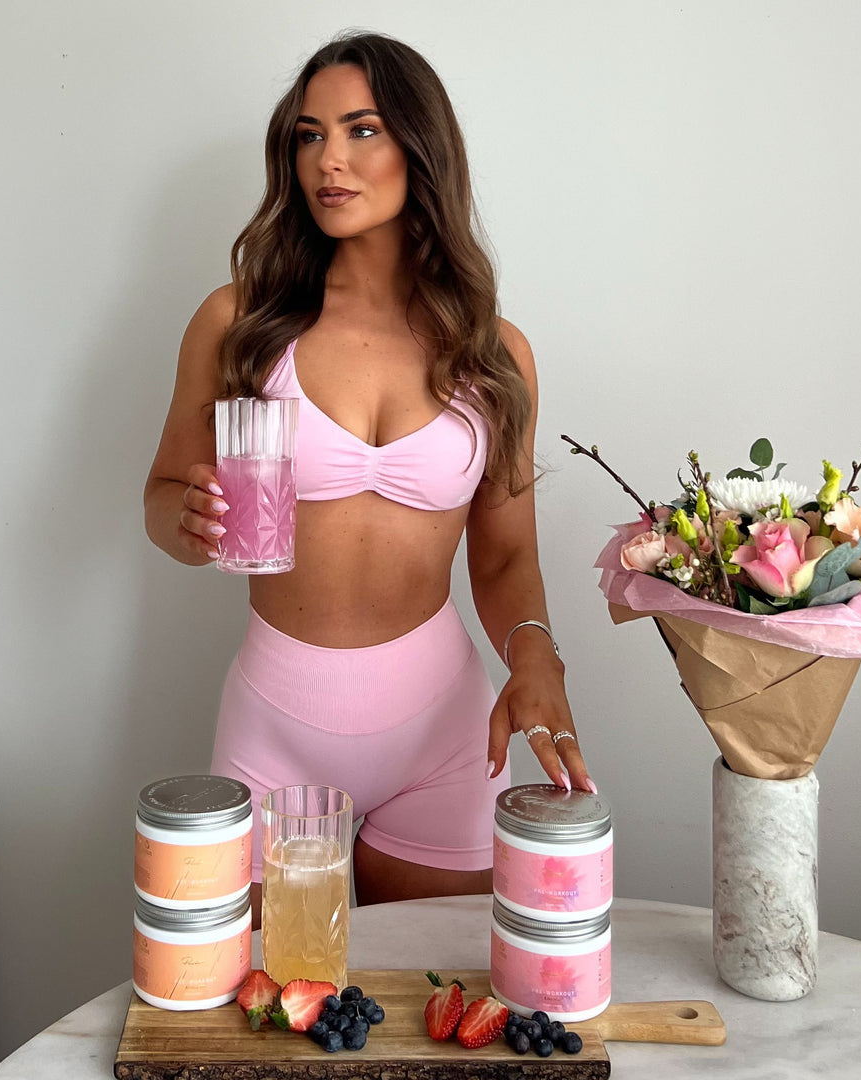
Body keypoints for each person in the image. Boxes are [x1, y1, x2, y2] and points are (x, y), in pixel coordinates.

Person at [144, 32, 594, 920]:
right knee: (270, 1016)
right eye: (309, 136)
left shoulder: (495, 356)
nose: (329, 161)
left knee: (435, 1008)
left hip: (443, 733)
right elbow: (163, 497)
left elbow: (504, 560)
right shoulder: (241, 324)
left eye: (361, 130)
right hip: (276, 724)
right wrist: (187, 525)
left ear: (420, 149)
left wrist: (537, 654)